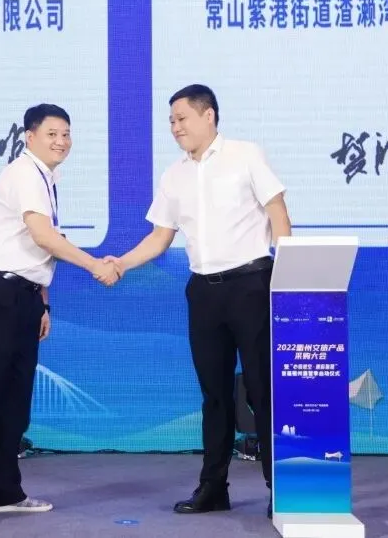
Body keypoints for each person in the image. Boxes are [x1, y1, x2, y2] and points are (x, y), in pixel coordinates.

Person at [107, 84, 291, 517]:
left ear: (208, 116)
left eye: (182, 118)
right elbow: (159, 238)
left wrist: (290, 278)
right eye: (171, 121)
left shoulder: (246, 155)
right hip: (204, 292)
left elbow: (279, 215)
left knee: (263, 390)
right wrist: (120, 264)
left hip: (252, 284)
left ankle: (282, 488)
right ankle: (213, 487)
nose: (175, 127)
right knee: (214, 395)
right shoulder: (174, 175)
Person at [0, 103, 121, 513]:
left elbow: (39, 251)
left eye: (66, 134)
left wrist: (42, 303)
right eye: (52, 133)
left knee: (13, 399)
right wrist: (94, 265)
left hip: (22, 295)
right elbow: (43, 236)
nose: (61, 141)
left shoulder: (45, 177)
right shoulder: (24, 174)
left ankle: (5, 492)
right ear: (29, 136)